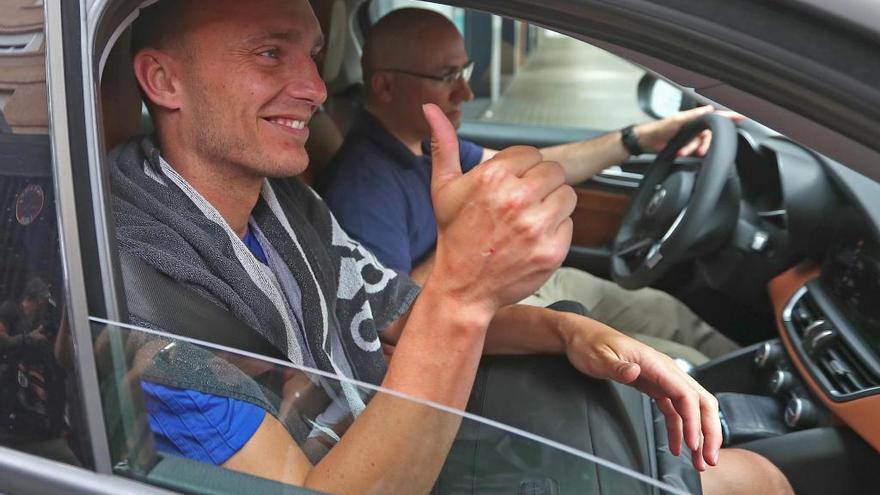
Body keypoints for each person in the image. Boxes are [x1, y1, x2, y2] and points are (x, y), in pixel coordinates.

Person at [112, 0, 792, 493]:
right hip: (357, 466)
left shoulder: (285, 204)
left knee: (736, 467)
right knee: (751, 480)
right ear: (164, 81)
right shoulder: (144, 294)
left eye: (313, 55)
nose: (317, 89)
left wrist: (568, 330)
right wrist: (466, 287)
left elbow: (397, 311)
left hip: (377, 423)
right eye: (269, 53)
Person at [319, 8, 741, 365]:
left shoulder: (429, 143)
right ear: (386, 86)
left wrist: (638, 139)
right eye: (448, 76)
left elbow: (539, 167)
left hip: (516, 286)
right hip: (473, 308)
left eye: (464, 71)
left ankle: (759, 376)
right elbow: (396, 319)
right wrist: (463, 240)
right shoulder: (364, 186)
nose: (466, 91)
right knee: (667, 360)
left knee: (665, 312)